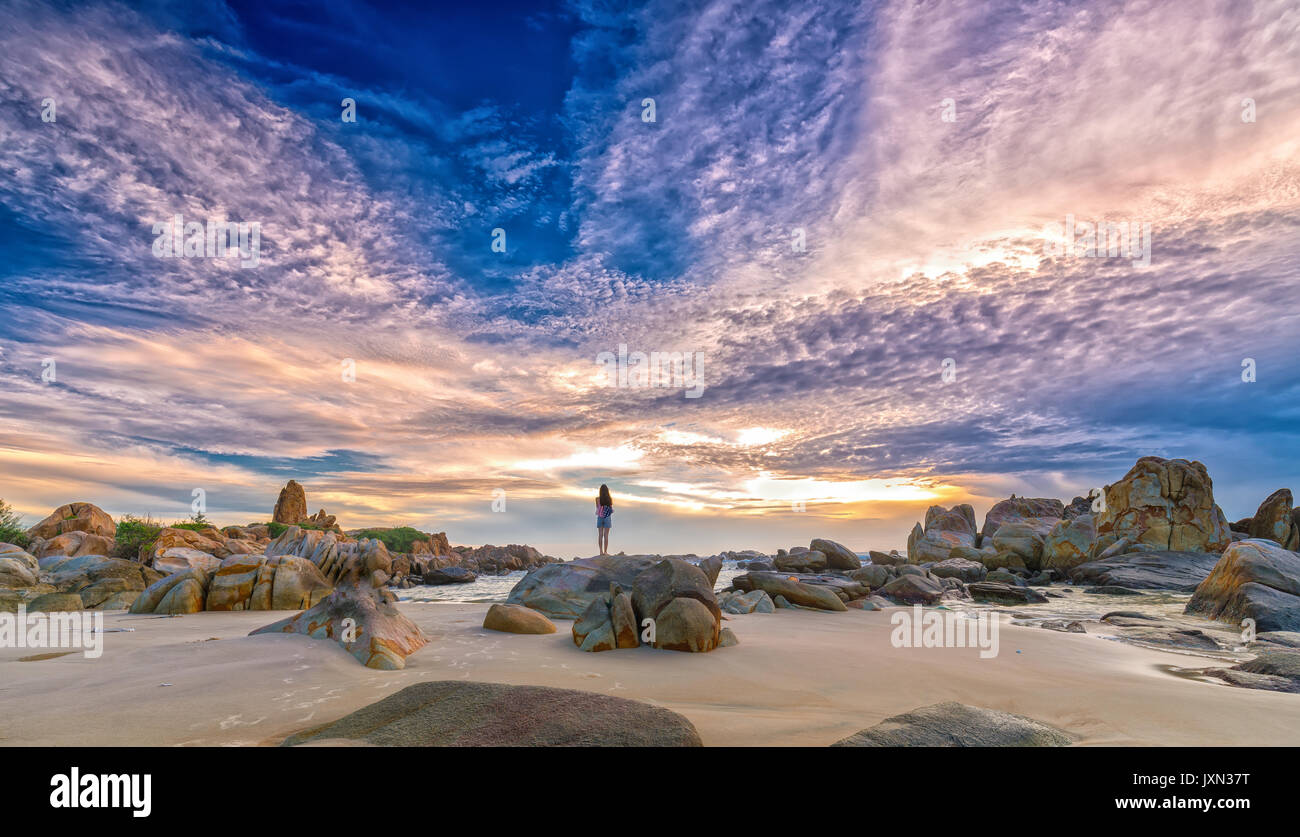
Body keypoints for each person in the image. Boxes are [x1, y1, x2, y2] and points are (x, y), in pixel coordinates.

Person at [595, 483, 613, 556]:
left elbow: (597, 507)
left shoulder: (597, 499)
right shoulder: (609, 499)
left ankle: (600, 552)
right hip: (607, 517)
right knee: (606, 535)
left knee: (600, 535)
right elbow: (610, 509)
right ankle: (605, 552)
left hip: (600, 517)